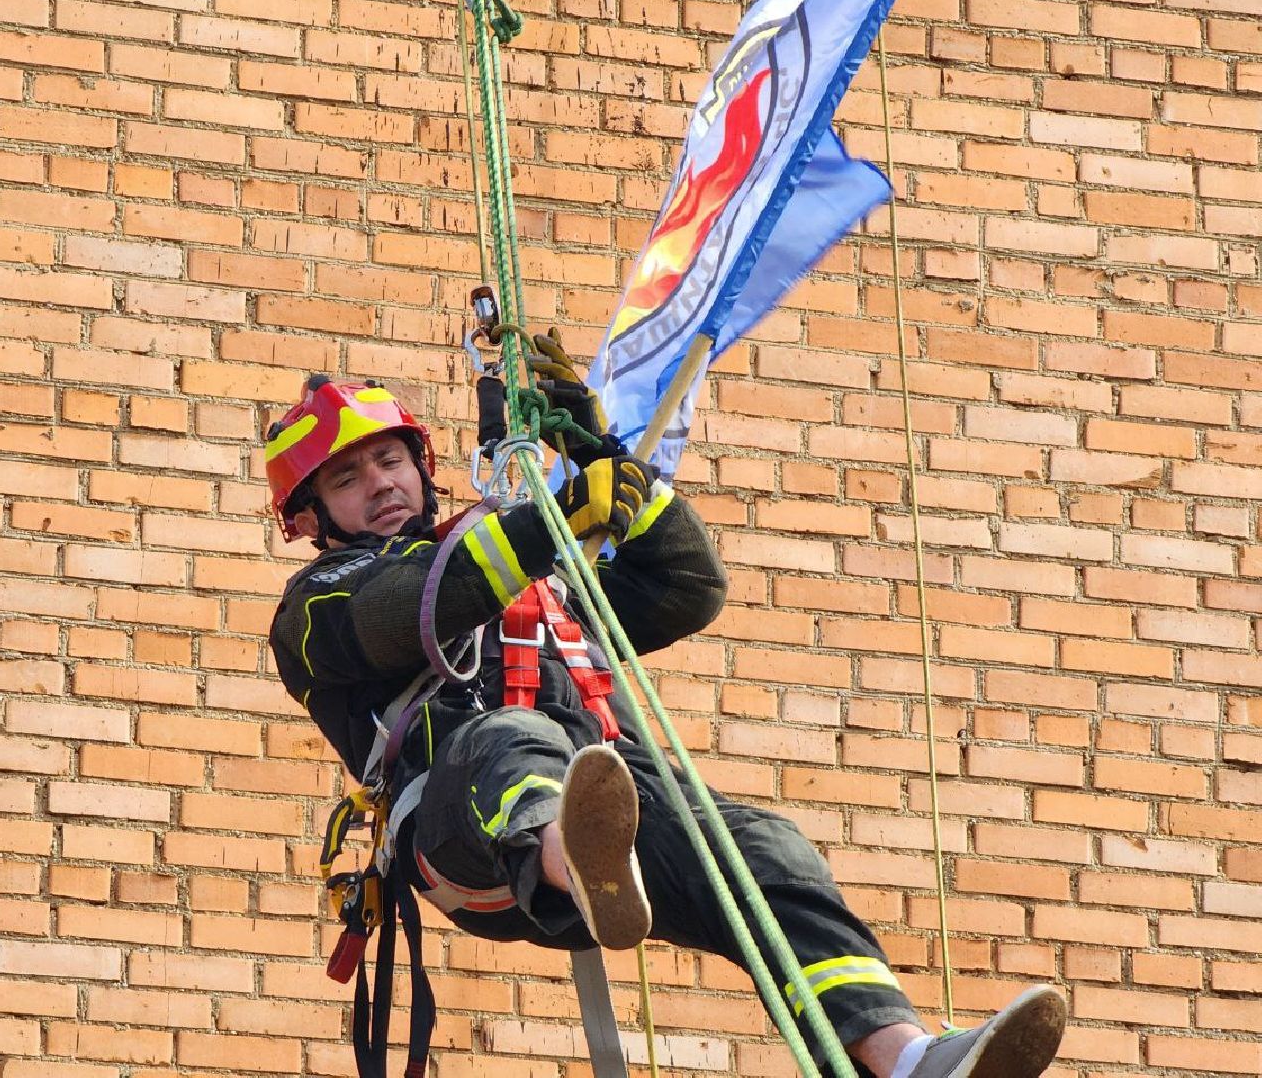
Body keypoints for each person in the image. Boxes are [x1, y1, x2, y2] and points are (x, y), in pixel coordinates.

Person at [267, 364, 1067, 1078]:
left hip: (606, 802)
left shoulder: (532, 580)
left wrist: (606, 463)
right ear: (308, 517)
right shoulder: (316, 607)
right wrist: (545, 526)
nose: (379, 484)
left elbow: (686, 584)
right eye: (346, 479)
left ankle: (907, 1061)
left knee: (761, 849)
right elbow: (404, 610)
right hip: (466, 836)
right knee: (507, 738)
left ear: (421, 464)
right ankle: (573, 852)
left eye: (389, 459)